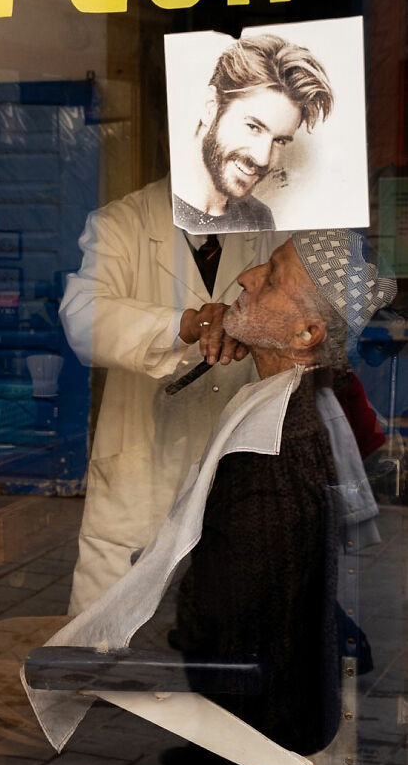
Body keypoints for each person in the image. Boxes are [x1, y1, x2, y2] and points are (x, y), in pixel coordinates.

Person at [0, 230, 394, 765]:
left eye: (272, 277)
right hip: (232, 659)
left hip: (218, 710)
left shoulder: (271, 458)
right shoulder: (297, 403)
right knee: (1, 638)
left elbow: (215, 642)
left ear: (307, 333)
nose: (245, 277)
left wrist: (106, 653)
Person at [60, 173, 284, 613]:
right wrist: (184, 324)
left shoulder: (270, 222)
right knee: (110, 634)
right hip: (141, 467)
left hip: (236, 457)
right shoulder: (122, 221)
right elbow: (82, 318)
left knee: (222, 620)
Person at [172, 34, 334, 233]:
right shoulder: (150, 209)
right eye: (253, 127)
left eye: (280, 140)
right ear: (211, 107)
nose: (263, 158)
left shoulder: (259, 219)